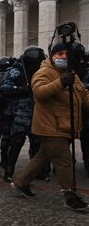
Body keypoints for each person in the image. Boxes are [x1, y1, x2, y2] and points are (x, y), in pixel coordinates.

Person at [12, 43, 89, 210]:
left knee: (43, 156)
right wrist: (61, 82)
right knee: (64, 160)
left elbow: (83, 95)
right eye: (59, 53)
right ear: (52, 55)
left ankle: (20, 182)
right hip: (50, 126)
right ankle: (70, 195)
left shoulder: (72, 74)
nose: (63, 57)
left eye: (66, 54)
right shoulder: (44, 72)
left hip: (64, 126)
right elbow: (39, 92)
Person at [0, 46, 46, 182]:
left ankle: (36, 171)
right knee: (16, 142)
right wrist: (22, 89)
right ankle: (9, 171)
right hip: (20, 113)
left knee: (36, 144)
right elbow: (4, 87)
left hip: (37, 113)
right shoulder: (17, 71)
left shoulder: (42, 71)